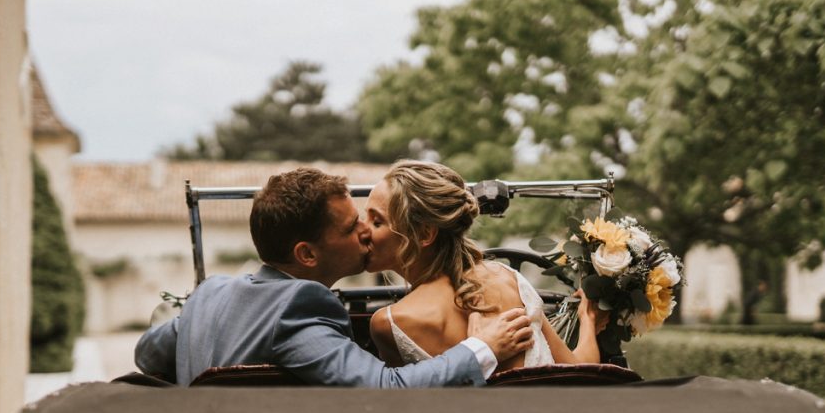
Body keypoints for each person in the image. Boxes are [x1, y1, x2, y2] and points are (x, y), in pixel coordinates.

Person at [134, 167, 534, 387]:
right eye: (350, 228)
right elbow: (384, 391)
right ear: (306, 254)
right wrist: (482, 348)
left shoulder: (210, 294)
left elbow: (146, 354)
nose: (364, 231)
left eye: (368, 219)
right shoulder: (297, 308)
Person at [364, 160, 605, 371]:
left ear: (425, 233)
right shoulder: (506, 278)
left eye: (376, 222)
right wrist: (588, 320)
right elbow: (576, 373)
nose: (363, 229)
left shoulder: (388, 323)